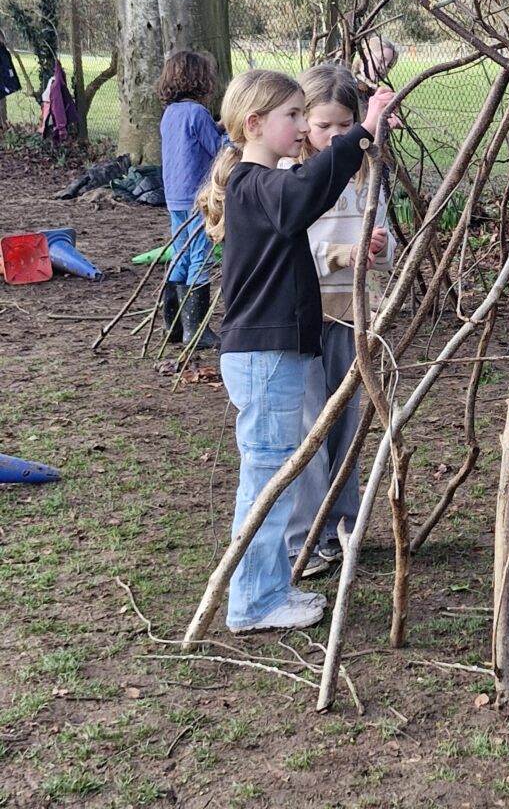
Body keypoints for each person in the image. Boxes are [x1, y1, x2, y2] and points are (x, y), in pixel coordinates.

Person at [196, 68, 393, 634]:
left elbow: (311, 185)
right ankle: (254, 603)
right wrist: (362, 132)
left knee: (271, 477)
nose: (303, 126)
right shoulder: (255, 185)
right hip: (265, 358)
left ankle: (266, 590)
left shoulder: (263, 185)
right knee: (266, 482)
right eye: (293, 115)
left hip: (272, 354)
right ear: (255, 123)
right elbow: (308, 189)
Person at [281, 65, 396, 578]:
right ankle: (304, 538)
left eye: (345, 125)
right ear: (303, 122)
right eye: (323, 125)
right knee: (310, 424)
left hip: (353, 315)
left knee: (346, 422)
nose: (334, 136)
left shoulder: (366, 172)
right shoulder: (292, 175)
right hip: (305, 314)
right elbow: (286, 249)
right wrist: (339, 254)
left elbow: (386, 246)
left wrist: (377, 246)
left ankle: (341, 527)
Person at [158, 51, 222, 348]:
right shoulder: (197, 113)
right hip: (197, 197)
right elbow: (217, 148)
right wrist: (234, 137)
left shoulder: (170, 113)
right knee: (201, 255)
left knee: (180, 253)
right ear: (200, 80)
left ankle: (172, 326)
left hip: (174, 197)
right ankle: (196, 331)